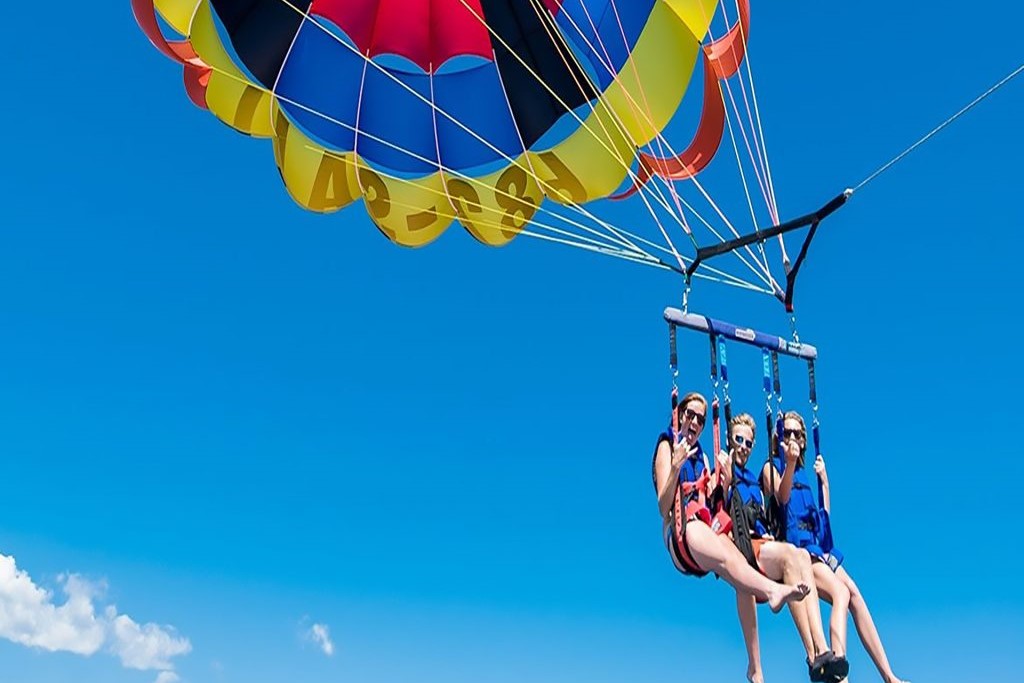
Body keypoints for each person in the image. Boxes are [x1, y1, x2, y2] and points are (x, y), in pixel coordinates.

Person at [762, 412, 908, 683]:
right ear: (778, 439)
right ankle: (836, 665)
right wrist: (790, 463)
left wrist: (825, 484)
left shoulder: (807, 473)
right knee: (841, 592)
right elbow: (781, 498)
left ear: (804, 440)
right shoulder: (771, 468)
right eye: (786, 433)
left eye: (796, 434)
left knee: (854, 594)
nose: (792, 438)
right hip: (800, 552)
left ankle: (889, 676)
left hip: (818, 548)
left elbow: (822, 520)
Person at [652, 392, 810, 615]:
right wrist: (676, 467)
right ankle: (774, 590)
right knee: (726, 557)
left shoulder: (703, 458)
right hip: (681, 533)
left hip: (704, 527)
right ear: (678, 416)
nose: (695, 421)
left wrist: (723, 484)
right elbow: (663, 506)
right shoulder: (667, 447)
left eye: (701, 419)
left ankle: (754, 651)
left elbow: (715, 505)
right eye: (690, 415)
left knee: (739, 565)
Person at [723, 413, 844, 683]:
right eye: (738, 440)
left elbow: (776, 500)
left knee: (799, 556)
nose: (743, 446)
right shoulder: (726, 470)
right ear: (729, 440)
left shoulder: (753, 479)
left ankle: (820, 651)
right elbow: (721, 499)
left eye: (748, 442)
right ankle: (813, 654)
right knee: (792, 554)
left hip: (767, 544)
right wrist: (724, 478)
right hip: (747, 547)